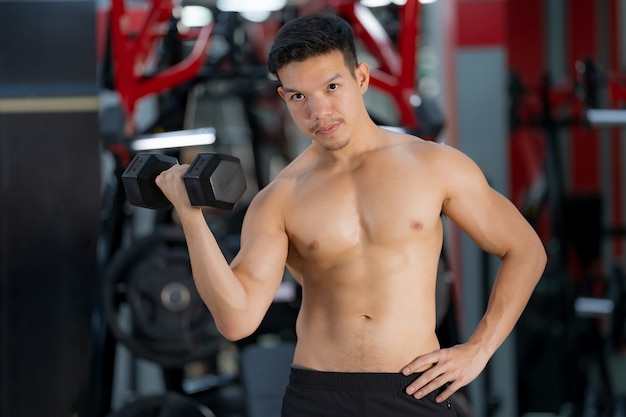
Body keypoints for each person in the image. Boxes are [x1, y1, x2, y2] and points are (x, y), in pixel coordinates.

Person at [156, 13, 547, 417]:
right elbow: (237, 321)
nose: (319, 111)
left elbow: (525, 250)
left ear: (361, 78)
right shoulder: (279, 199)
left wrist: (478, 350)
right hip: (318, 395)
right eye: (299, 97)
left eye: (331, 87)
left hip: (415, 389)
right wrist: (191, 219)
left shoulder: (436, 167)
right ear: (283, 98)